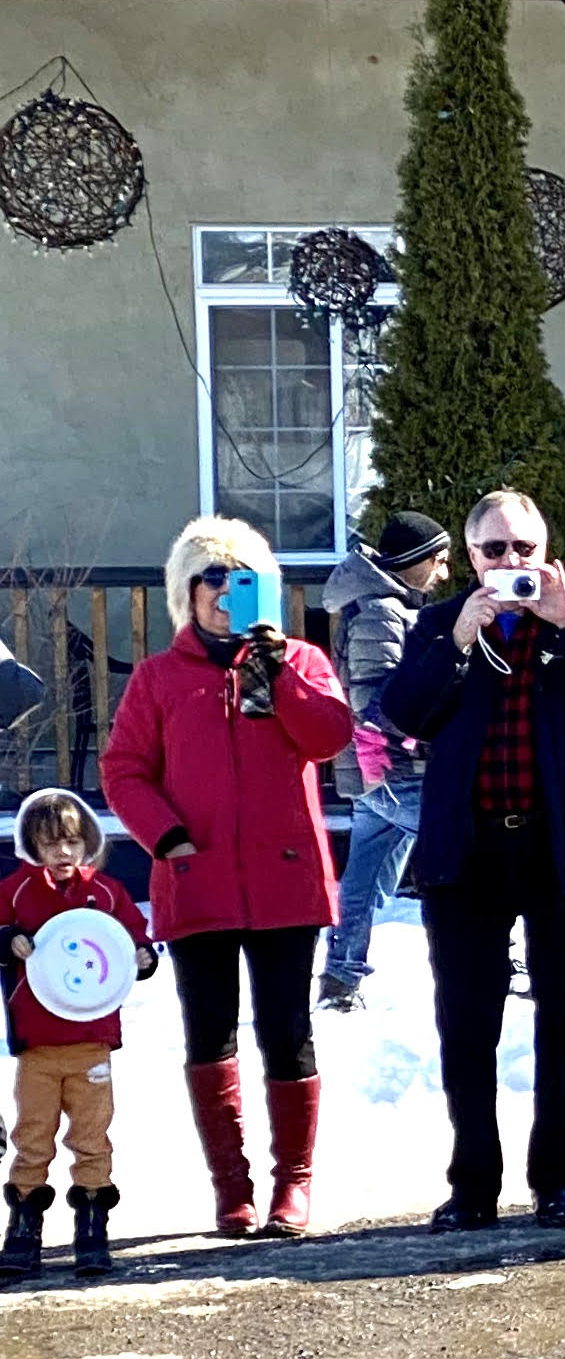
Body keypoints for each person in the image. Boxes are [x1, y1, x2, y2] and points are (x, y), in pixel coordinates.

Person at [377, 490, 565, 1234]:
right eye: (494, 551)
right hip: (469, 852)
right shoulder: (440, 623)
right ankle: (473, 1184)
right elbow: (405, 714)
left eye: (523, 550)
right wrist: (457, 643)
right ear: (469, 559)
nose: (511, 564)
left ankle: (555, 1181)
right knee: (467, 1023)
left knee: (564, 1020)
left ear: (546, 551)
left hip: (561, 846)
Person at [103, 516, 355, 1241]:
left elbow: (328, 738)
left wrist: (276, 674)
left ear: (262, 590)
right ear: (188, 593)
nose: (223, 592)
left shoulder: (298, 661)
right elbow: (124, 771)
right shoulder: (158, 679)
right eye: (209, 579)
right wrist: (168, 837)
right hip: (198, 879)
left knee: (286, 1031)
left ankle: (292, 1187)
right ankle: (232, 1190)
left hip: (284, 882)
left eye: (239, 579)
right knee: (208, 1036)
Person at [3, 789, 157, 1280]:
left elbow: (135, 939)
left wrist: (143, 957)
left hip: (92, 1039)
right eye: (51, 844)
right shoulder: (15, 891)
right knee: (33, 1136)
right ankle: (23, 1229)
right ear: (33, 846)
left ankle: (92, 1226)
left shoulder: (107, 892)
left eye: (71, 842)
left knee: (92, 1137)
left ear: (85, 841)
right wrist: (8, 940)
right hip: (38, 1042)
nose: (63, 853)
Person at [317, 509, 450, 1012]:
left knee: (364, 876)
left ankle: (340, 978)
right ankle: (498, 961)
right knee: (472, 847)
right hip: (397, 768)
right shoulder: (380, 612)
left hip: (376, 771)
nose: (443, 572)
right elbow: (378, 701)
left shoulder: (388, 606)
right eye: (438, 561)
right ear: (414, 562)